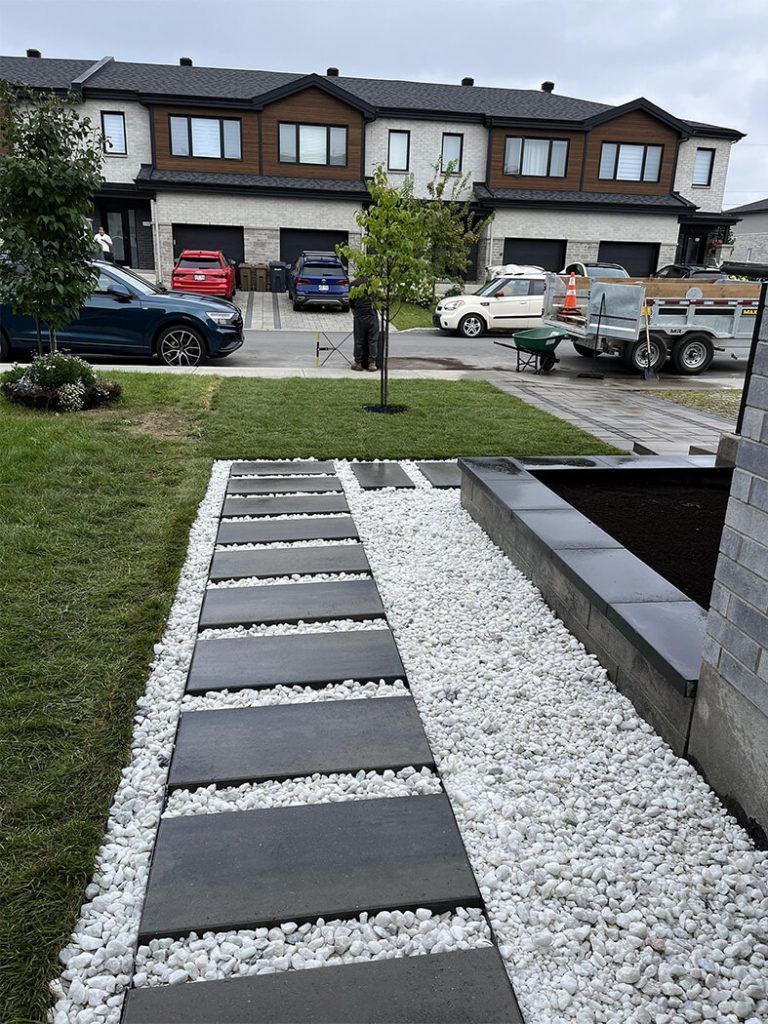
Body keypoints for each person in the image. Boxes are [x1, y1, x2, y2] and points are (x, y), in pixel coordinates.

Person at [350, 278, 379, 372]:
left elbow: (351, 303)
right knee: (373, 340)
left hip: (359, 315)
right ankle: (372, 363)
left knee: (359, 340)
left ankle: (358, 363)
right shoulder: (374, 283)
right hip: (372, 315)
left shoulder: (354, 284)